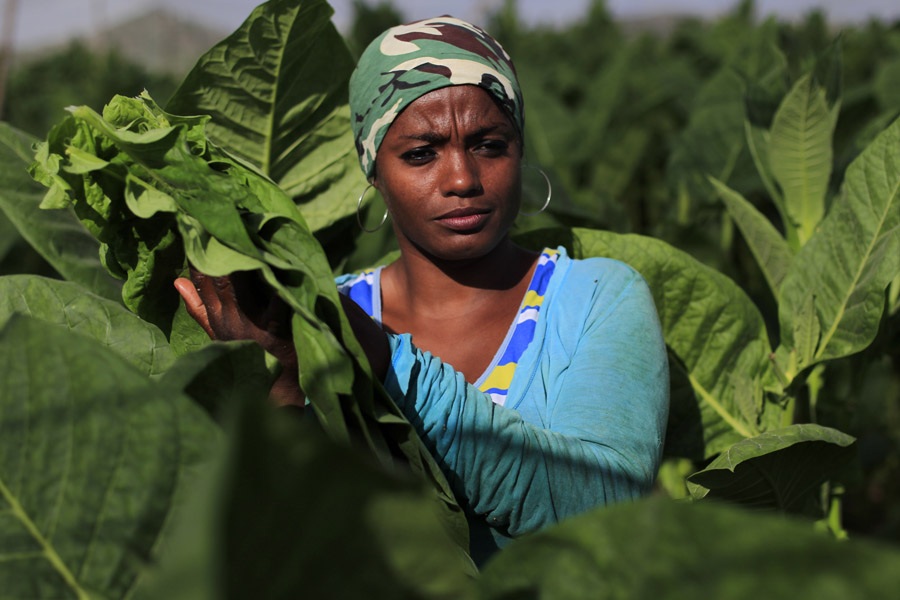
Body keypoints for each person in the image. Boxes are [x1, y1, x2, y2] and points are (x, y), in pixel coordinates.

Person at [175, 15, 669, 565]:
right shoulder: (302, 317)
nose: (462, 179)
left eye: (488, 144)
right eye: (420, 153)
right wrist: (287, 376)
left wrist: (382, 361)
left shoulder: (597, 297)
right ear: (373, 170)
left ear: (520, 151)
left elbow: (606, 505)